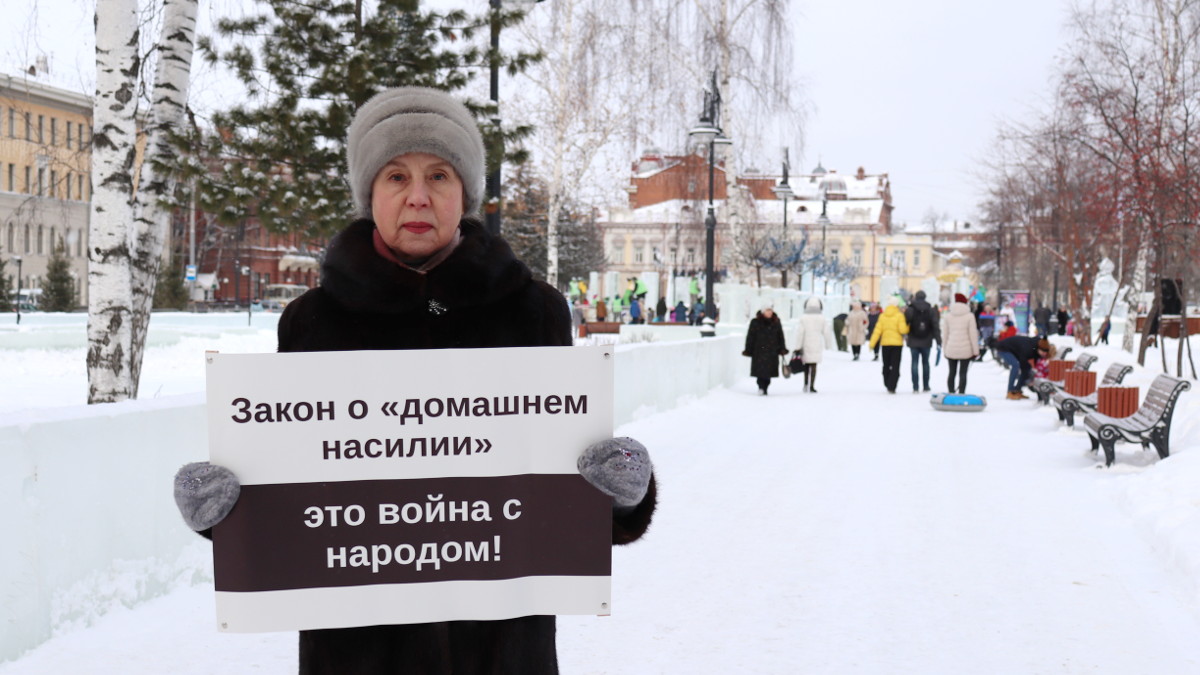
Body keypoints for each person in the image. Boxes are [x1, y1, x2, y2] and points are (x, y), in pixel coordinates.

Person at [171, 87, 655, 675]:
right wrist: (225, 509)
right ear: (369, 193)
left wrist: (621, 493)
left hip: (501, 654)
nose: (418, 196)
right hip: (356, 655)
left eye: (440, 175)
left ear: (467, 193)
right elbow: (293, 502)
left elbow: (556, 497)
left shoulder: (534, 313)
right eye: (396, 176)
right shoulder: (312, 322)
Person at [941, 293, 980, 393]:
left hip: (951, 348)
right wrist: (976, 351)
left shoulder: (948, 316)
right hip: (966, 350)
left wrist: (945, 350)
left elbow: (945, 335)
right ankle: (961, 393)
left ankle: (950, 393)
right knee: (963, 373)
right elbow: (973, 335)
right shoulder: (970, 316)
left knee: (951, 373)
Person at [743, 304, 788, 394]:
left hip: (772, 351)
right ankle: (761, 386)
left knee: (769, 372)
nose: (770, 312)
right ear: (763, 311)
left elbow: (780, 336)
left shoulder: (776, 322)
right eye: (767, 310)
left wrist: (782, 348)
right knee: (760, 372)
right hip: (759, 351)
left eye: (770, 310)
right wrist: (748, 349)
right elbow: (750, 337)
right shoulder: (755, 322)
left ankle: (765, 387)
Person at [868, 297, 910, 393]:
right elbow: (903, 330)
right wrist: (908, 326)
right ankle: (892, 386)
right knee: (895, 366)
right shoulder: (900, 316)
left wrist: (872, 343)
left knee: (886, 364)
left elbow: (877, 331)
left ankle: (887, 382)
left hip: (885, 344)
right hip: (897, 345)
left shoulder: (883, 316)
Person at [903, 290, 941, 392]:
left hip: (913, 340)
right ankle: (926, 386)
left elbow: (904, 324)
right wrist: (938, 341)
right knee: (925, 363)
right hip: (927, 340)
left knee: (914, 363)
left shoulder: (910, 309)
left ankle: (915, 386)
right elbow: (935, 326)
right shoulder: (931, 310)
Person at [793, 297, 832, 393]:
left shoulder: (803, 318)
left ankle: (805, 384)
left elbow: (800, 333)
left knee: (806, 365)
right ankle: (812, 386)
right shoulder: (822, 318)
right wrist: (828, 345)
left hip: (806, 343)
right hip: (817, 344)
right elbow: (827, 332)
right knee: (814, 365)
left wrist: (797, 346)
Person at [994, 335, 1052, 400]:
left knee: (1026, 369)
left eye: (1046, 352)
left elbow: (1034, 363)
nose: (1044, 354)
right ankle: (1010, 392)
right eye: (1043, 352)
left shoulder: (1037, 348)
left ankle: (1017, 391)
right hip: (1004, 348)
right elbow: (1023, 361)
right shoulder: (1029, 349)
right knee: (1015, 366)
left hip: (1016, 351)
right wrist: (1029, 378)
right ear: (1038, 349)